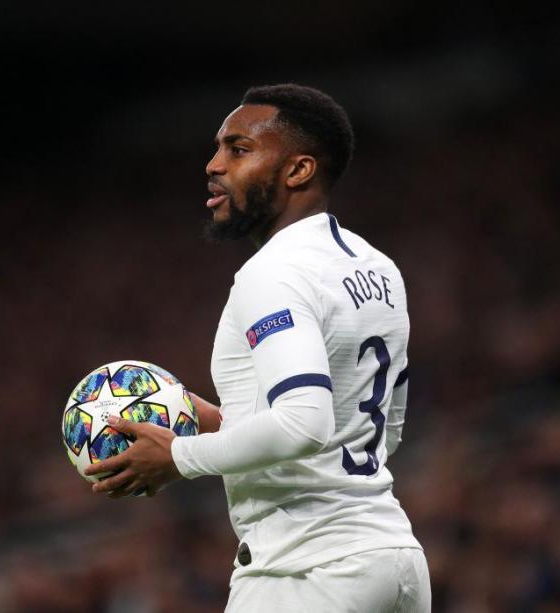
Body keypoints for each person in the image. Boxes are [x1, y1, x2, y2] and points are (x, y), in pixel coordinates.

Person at [86, 84, 431, 612]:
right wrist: (229, 421)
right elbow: (384, 432)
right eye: (218, 149)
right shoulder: (377, 268)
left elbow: (305, 423)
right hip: (394, 561)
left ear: (299, 170)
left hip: (306, 572)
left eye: (238, 149)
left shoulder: (272, 273)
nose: (213, 165)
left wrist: (178, 456)